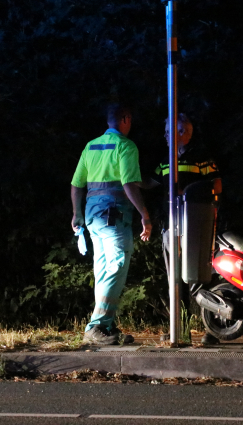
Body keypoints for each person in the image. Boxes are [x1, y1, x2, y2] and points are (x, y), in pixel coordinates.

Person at [71, 104, 152, 345]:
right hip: (114, 216)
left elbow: (77, 184)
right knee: (115, 266)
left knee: (104, 269)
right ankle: (96, 326)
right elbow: (128, 183)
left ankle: (105, 325)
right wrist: (145, 214)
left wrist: (76, 214)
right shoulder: (126, 146)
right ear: (125, 119)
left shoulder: (91, 145)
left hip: (92, 216)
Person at [141, 113, 221, 344]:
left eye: (169, 132)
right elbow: (150, 183)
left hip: (196, 225)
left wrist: (191, 195)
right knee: (174, 278)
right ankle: (180, 329)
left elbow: (216, 185)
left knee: (200, 277)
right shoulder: (166, 160)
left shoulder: (201, 158)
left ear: (183, 132)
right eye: (165, 132)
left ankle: (212, 329)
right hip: (171, 226)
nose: (166, 136)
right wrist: (125, 177)